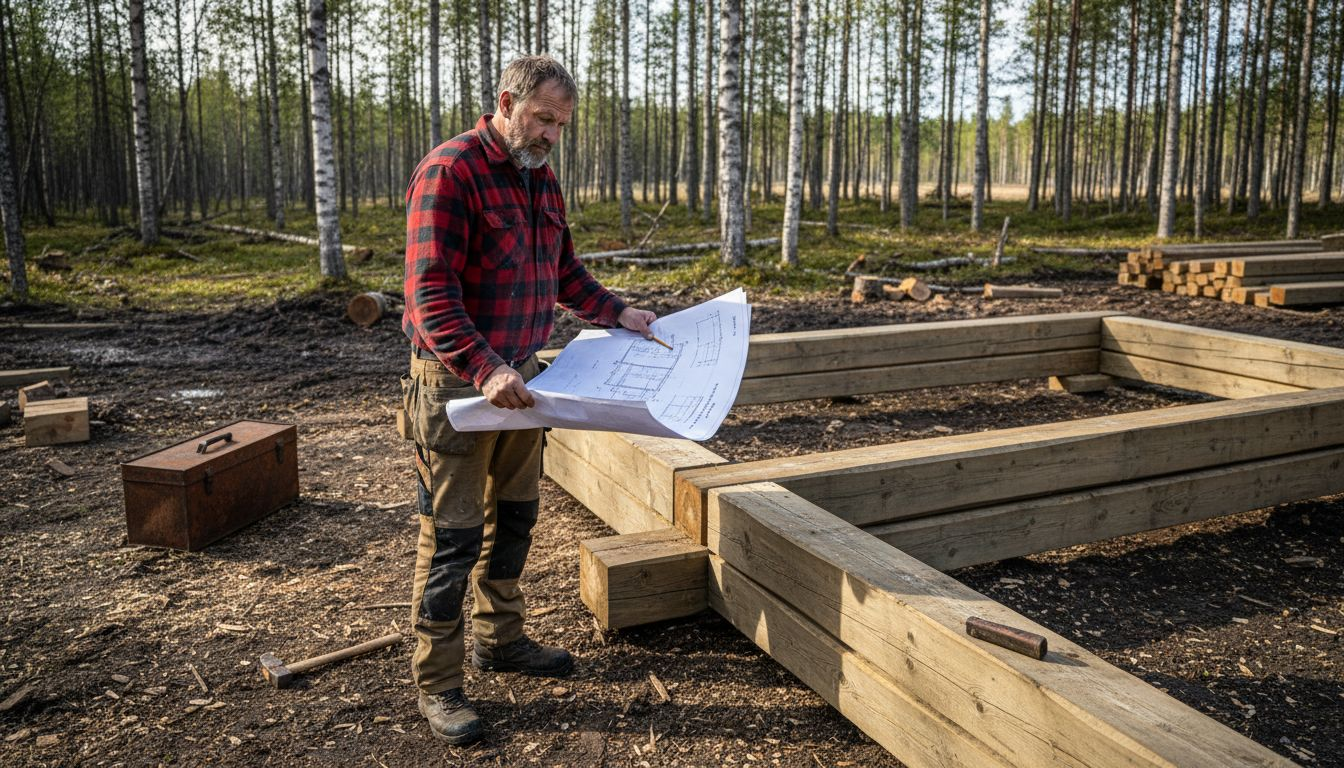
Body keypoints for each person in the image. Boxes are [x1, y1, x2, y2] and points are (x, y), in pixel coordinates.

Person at [400, 55, 658, 746]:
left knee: (514, 519)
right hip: (460, 386)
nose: (550, 135)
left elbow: (563, 271)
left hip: (524, 381)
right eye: (542, 118)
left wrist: (617, 312)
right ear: (507, 101)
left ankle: (501, 640)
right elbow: (429, 297)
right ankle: (439, 682)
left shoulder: (539, 178)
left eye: (561, 125)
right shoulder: (450, 173)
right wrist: (483, 368)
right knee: (453, 537)